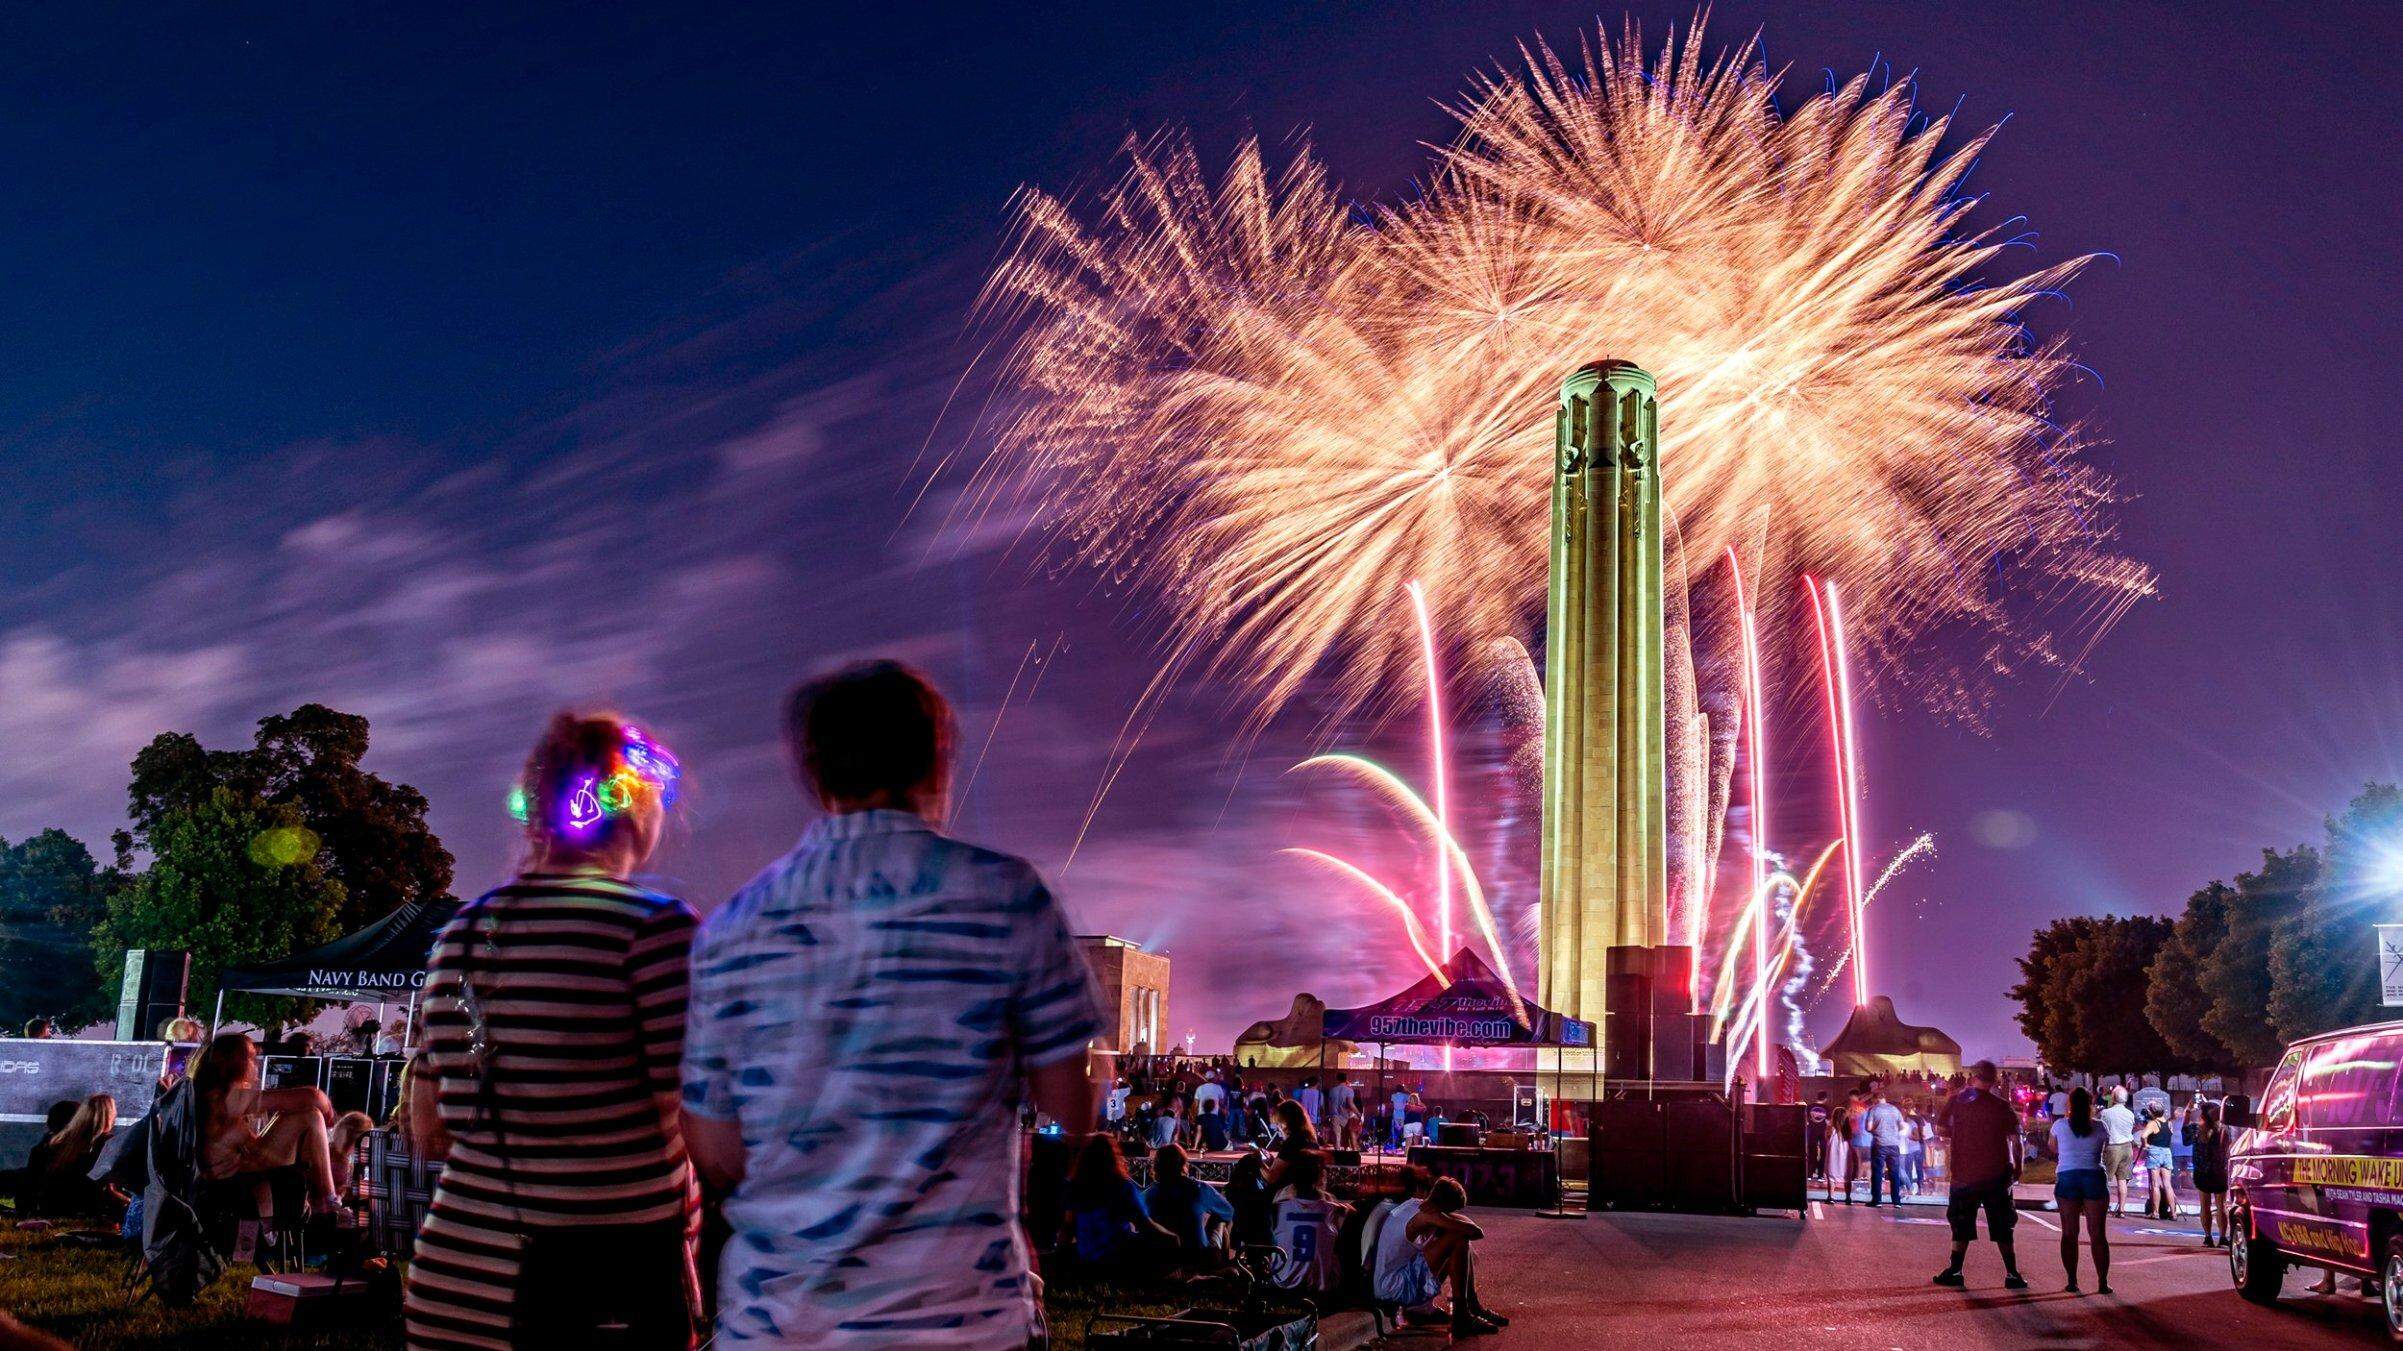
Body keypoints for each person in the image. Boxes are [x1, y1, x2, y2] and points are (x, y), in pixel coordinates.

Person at [681, 661, 1101, 1349]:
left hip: (780, 1322)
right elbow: (1068, 1103)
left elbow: (715, 1143)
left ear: (814, 776)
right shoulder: (1005, 896)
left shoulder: (734, 926)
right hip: (957, 1320)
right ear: (937, 761)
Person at [405, 712, 700, 1351]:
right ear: (634, 801)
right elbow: (687, 1114)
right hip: (603, 1288)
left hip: (459, 1272)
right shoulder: (651, 929)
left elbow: (426, 1125)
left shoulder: (462, 935)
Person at [191, 1032, 341, 1214]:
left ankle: (319, 1197)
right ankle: (329, 1200)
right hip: (231, 1179)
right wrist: (329, 1112)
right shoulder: (230, 1096)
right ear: (236, 1063)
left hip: (228, 1172)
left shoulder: (209, 1092)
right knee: (311, 1116)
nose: (257, 1064)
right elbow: (313, 1097)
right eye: (252, 1058)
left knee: (299, 1116)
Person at [1931, 1061, 2027, 1290]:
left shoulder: (1956, 1102)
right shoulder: (2002, 1106)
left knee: (1960, 1221)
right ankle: (2012, 1273)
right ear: (1994, 1081)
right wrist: (2018, 1168)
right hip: (1997, 1174)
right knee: (2003, 1225)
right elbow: (2017, 1140)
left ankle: (1955, 1270)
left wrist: (1961, 1134)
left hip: (1965, 1173)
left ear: (1973, 1077)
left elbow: (1941, 1129)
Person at [1405, 1179, 1506, 1336]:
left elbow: (1472, 1229)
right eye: (1452, 1210)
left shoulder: (1424, 1208)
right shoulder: (1428, 1214)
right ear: (1445, 1206)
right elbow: (1476, 1232)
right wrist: (1451, 1220)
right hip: (1406, 1283)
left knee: (1462, 1242)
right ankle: (1464, 1313)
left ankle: (1471, 1307)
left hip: (1411, 1276)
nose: (1454, 1214)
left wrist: (1452, 1218)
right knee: (1459, 1238)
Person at [1063, 1135, 1173, 1269]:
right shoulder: (1122, 1186)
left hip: (1087, 1254)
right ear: (1113, 1157)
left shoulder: (1074, 1186)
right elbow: (1144, 1224)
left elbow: (1068, 1228)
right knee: (1167, 1242)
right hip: (1118, 1255)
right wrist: (1171, 1238)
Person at [2051, 1086, 2111, 1294]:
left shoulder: (2059, 1125)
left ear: (2069, 1105)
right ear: (2090, 1105)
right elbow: (2105, 1147)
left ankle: (2072, 1280)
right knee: (2098, 1235)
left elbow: (2052, 1148)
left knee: (2069, 1233)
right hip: (2094, 1177)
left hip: (2068, 1177)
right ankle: (2102, 1282)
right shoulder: (2100, 1126)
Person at [1267, 1152, 1352, 1295]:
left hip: (1283, 1281)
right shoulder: (1333, 1210)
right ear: (1320, 1178)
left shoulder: (1278, 1208)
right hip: (1321, 1285)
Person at [1142, 1144, 1234, 1261]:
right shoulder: (1199, 1188)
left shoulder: (1147, 1194)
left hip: (1162, 1258)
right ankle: (1222, 1265)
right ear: (1183, 1164)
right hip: (1197, 1256)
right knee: (1221, 1218)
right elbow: (1229, 1211)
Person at [2190, 1099, 2231, 1247]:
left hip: (2202, 1172)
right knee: (2221, 1205)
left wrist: (2188, 1111)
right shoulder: (2224, 1131)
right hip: (2220, 1171)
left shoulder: (2197, 1131)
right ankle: (2223, 1237)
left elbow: (2184, 1136)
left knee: (2204, 1205)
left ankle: (2208, 1237)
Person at [2097, 1085, 2138, 1218]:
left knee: (2105, 1179)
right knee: (2122, 1179)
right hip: (2127, 1147)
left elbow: (2100, 1128)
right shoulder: (2130, 1114)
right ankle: (2121, 1209)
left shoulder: (2106, 1113)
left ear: (2113, 1097)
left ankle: (2103, 1205)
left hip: (2113, 1147)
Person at [1226, 1148, 1276, 1251]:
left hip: (1241, 1233)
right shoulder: (1263, 1192)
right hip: (1263, 1235)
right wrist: (1268, 1164)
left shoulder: (1232, 1190)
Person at [1863, 1089, 1905, 1208]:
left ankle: (1877, 1200)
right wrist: (1893, 1132)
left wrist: (1877, 1130)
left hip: (1879, 1144)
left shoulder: (1874, 1110)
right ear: (1884, 1098)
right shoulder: (1895, 1110)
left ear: (1876, 1099)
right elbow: (1902, 1126)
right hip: (1894, 1145)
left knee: (1877, 1172)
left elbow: (1868, 1127)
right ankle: (1896, 1201)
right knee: (1894, 1173)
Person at [2140, 1105, 2178, 1221]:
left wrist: (2145, 1144)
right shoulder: (2169, 1123)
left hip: (2155, 1151)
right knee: (2167, 1185)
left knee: (2155, 1184)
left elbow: (2143, 1135)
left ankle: (2155, 1212)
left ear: (2152, 1112)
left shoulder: (2153, 1123)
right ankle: (2173, 1213)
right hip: (2167, 1152)